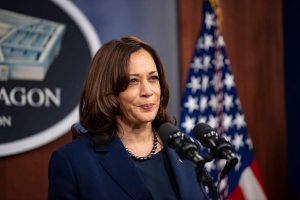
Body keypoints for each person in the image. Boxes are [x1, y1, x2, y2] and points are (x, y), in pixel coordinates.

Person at [48, 36, 207, 200]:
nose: (147, 91)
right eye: (133, 81)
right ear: (108, 91)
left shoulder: (187, 150)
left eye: (153, 78)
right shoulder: (73, 161)